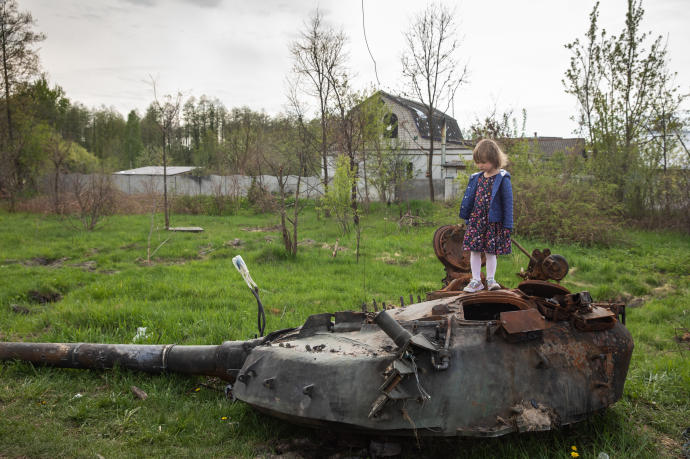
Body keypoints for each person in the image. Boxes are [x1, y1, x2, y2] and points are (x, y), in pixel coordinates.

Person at [458, 139, 513, 292]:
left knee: (490, 252)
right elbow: (470, 197)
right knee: (474, 251)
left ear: (494, 159)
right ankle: (476, 280)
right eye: (478, 162)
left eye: (484, 162)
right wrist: (467, 217)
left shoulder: (502, 178)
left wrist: (508, 225)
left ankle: (490, 280)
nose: (480, 165)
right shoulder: (477, 177)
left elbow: (508, 203)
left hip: (492, 222)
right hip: (476, 221)